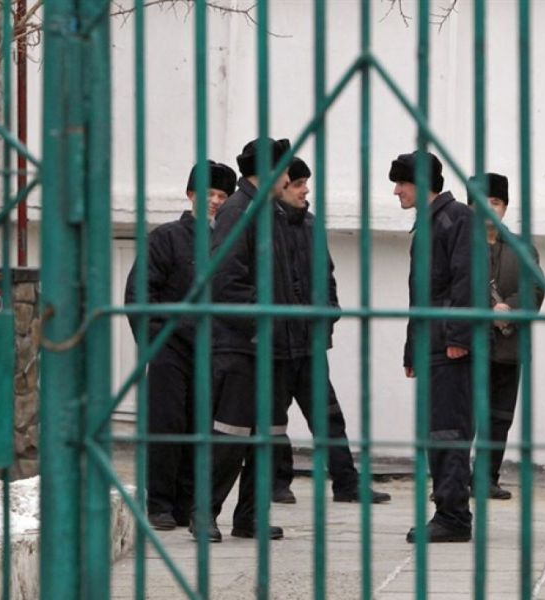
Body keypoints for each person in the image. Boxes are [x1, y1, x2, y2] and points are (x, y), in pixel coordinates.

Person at [260, 157, 391, 505]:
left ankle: (346, 483)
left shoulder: (310, 225)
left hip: (310, 342)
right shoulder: (262, 226)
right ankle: (276, 482)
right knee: (273, 419)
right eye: (298, 184)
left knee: (329, 416)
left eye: (305, 183)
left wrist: (330, 312)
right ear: (280, 186)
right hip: (276, 343)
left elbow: (326, 275)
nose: (305, 191)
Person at [124, 160, 236, 531]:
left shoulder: (232, 242)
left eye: (222, 195)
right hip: (170, 348)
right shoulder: (166, 238)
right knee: (167, 424)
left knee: (200, 426)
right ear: (191, 194)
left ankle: (187, 503)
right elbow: (139, 293)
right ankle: (159, 503)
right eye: (209, 193)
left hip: (213, 350)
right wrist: (157, 340)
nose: (215, 201)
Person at [196, 137, 292, 542]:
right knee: (230, 436)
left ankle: (250, 516)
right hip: (242, 345)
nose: (288, 179)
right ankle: (204, 512)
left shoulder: (270, 212)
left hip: (272, 346)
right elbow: (225, 280)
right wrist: (261, 322)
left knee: (266, 437)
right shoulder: (239, 211)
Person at [391, 150, 475, 543]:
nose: (396, 191)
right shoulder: (430, 223)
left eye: (401, 183)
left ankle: (453, 517)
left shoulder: (456, 219)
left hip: (449, 345)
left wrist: (458, 337)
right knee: (436, 431)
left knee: (448, 431)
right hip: (434, 343)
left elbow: (466, 281)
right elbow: (421, 296)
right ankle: (448, 510)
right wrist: (413, 350)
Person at [466, 172, 545, 500]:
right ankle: (454, 481)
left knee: (499, 416)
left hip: (509, 344)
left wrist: (509, 309)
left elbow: (535, 289)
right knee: (463, 416)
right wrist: (488, 310)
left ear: (505, 207)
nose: (489, 208)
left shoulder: (523, 248)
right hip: (468, 344)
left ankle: (487, 478)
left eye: (496, 202)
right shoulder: (458, 245)